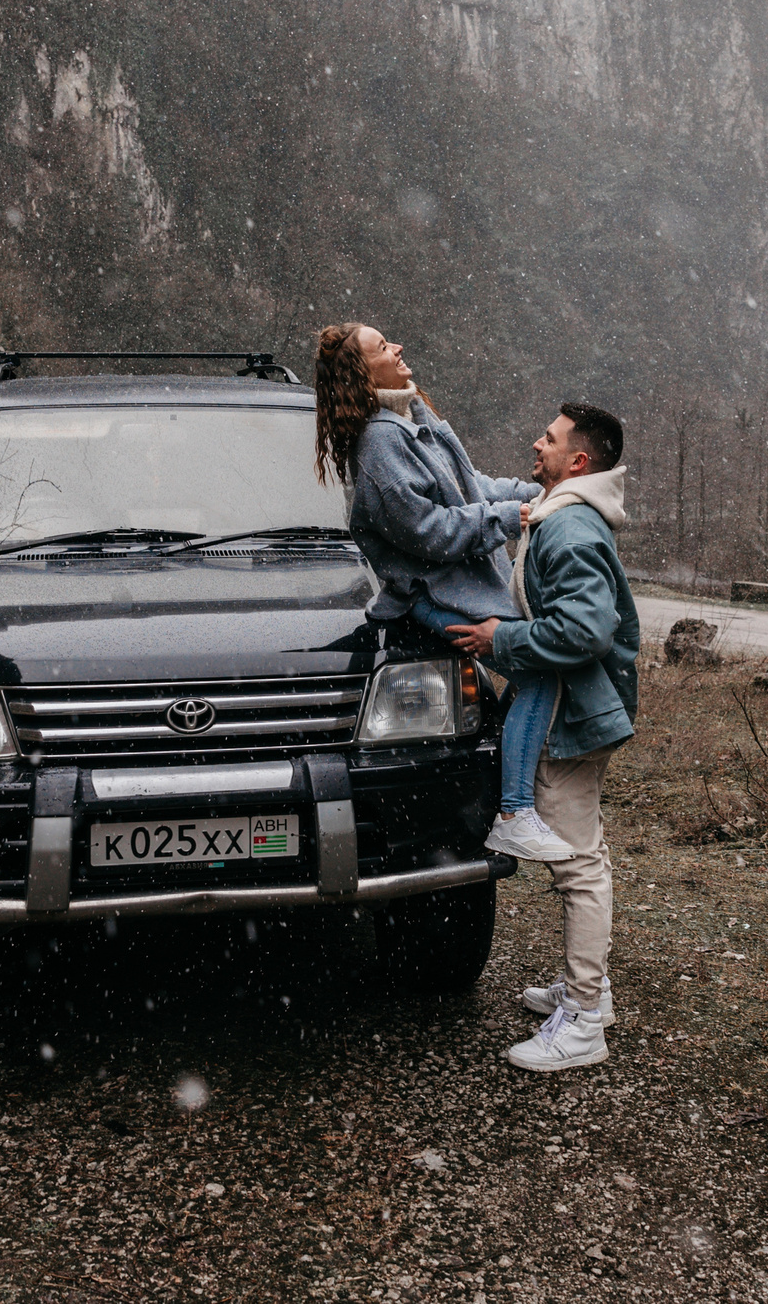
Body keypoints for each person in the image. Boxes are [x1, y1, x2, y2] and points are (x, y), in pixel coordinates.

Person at [310, 325, 577, 862]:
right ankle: (513, 812)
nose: (398, 349)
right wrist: (509, 517)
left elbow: (469, 487)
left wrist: (544, 493)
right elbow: (429, 531)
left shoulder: (410, 418)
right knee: (538, 672)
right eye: (383, 348)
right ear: (363, 373)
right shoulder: (380, 442)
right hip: (436, 596)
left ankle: (504, 788)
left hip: (463, 586)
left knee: (531, 678)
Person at [447, 403, 639, 1073]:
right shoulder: (563, 514)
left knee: (578, 863)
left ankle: (584, 1020)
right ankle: (589, 989)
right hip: (574, 708)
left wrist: (503, 639)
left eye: (550, 438)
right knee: (584, 852)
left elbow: (586, 630)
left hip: (573, 715)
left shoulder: (572, 531)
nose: (537, 441)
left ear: (578, 461)